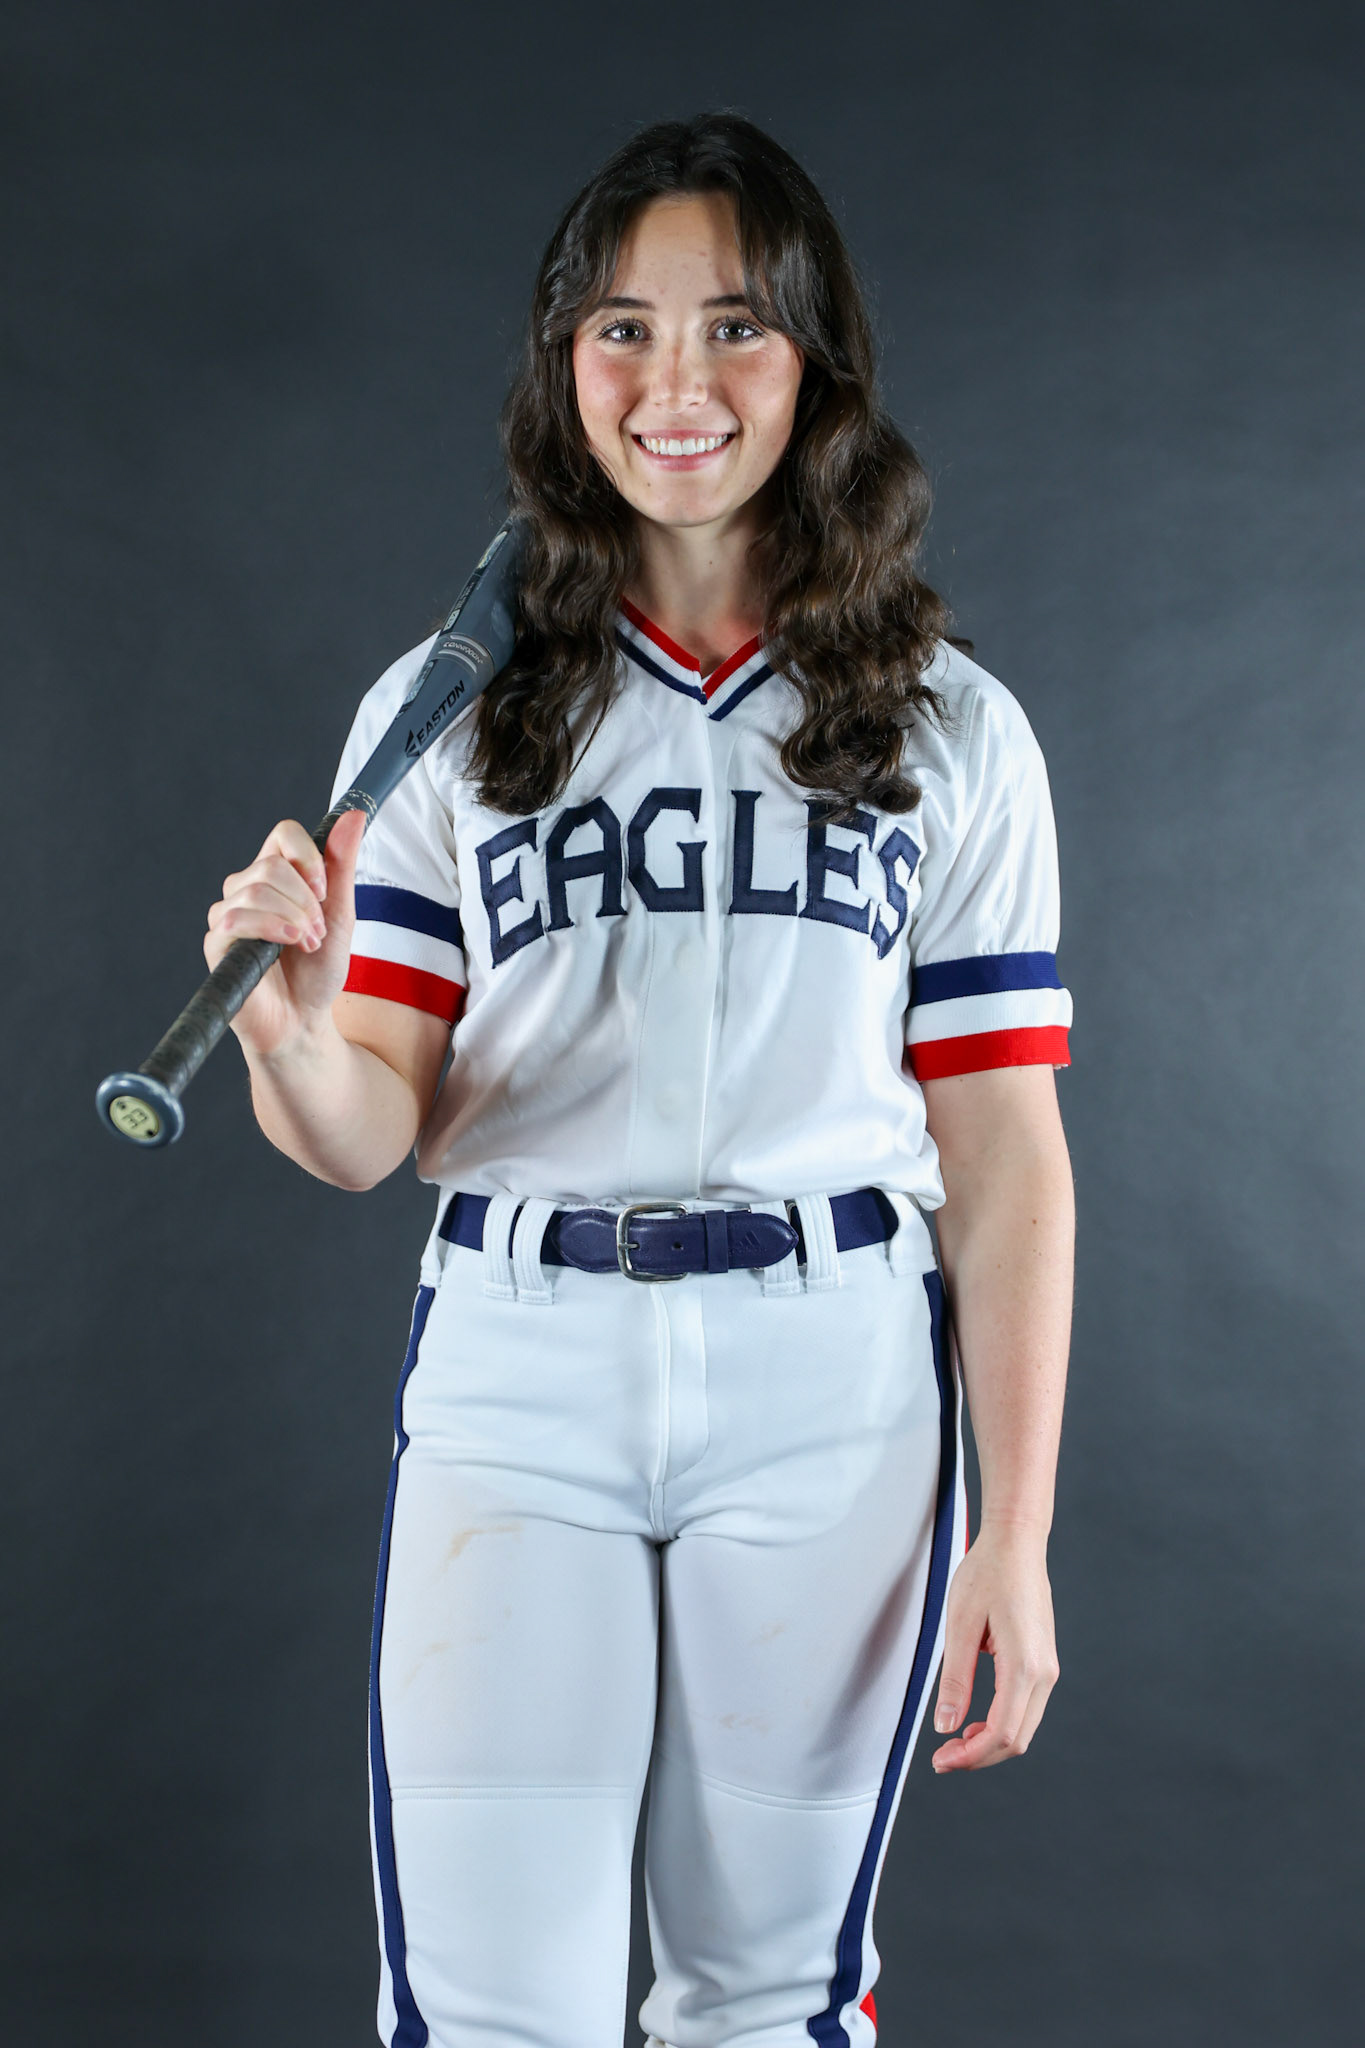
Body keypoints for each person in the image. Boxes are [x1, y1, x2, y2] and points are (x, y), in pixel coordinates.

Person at [204, 113, 1074, 2048]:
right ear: (562, 362)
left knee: (767, 2003)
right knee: (487, 2014)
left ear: (817, 363)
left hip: (833, 1371)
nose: (676, 382)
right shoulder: (443, 708)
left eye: (733, 328)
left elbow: (1006, 1152)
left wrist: (1012, 1533)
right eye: (622, 329)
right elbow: (364, 1134)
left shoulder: (949, 720)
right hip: (524, 1364)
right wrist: (285, 1029)